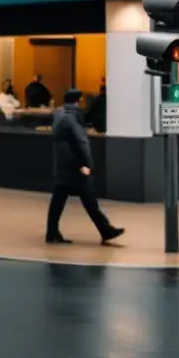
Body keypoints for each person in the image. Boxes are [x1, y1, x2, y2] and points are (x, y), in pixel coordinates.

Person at [46, 88, 124, 245]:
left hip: (63, 164)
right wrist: (86, 163)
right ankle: (105, 230)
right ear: (78, 100)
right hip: (75, 166)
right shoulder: (72, 118)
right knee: (89, 200)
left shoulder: (60, 116)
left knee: (58, 201)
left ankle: (52, 232)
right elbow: (79, 142)